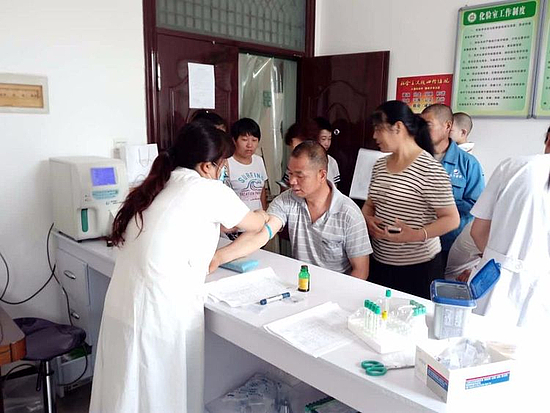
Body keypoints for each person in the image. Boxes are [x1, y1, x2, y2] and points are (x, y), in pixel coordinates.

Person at [89, 121, 268, 413]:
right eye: (223, 164)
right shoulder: (207, 189)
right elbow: (254, 222)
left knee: (125, 393)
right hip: (161, 312)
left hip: (124, 306)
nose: (223, 171)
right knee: (161, 395)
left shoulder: (158, 184)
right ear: (208, 166)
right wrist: (267, 217)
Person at [212, 141, 372, 280]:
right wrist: (219, 257)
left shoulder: (348, 214)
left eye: (300, 176)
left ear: (322, 175)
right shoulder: (288, 200)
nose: (292, 181)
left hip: (335, 289)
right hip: (301, 283)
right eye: (290, 173)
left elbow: (361, 271)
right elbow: (261, 233)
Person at [363, 100, 459, 299]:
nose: (374, 136)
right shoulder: (379, 165)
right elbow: (370, 205)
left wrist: (416, 235)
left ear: (398, 127)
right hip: (380, 261)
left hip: (419, 267)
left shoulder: (430, 169)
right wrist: (367, 219)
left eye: (378, 129)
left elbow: (451, 219)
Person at [469, 153, 550, 329]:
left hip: (493, 283)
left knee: (476, 340)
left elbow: (478, 231)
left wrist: (497, 258)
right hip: (542, 297)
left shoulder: (514, 166)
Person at [421, 104, 484, 265]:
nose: (422, 130)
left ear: (447, 126)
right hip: (416, 241)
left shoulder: (468, 163)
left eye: (427, 124)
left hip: (449, 243)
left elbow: (477, 205)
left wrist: (442, 203)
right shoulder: (414, 158)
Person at [227, 118, 268, 210]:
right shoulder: (227, 163)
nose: (250, 145)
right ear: (234, 140)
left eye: (254, 140)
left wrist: (264, 212)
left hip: (257, 216)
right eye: (244, 139)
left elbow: (262, 191)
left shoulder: (259, 160)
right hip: (238, 217)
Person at [279, 120, 320, 190]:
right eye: (292, 148)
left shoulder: (324, 162)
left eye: (297, 148)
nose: (294, 152)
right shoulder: (293, 163)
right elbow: (285, 184)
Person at [313, 117, 341, 186]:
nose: (327, 143)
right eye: (323, 139)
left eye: (329, 139)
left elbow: (335, 187)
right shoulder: (304, 160)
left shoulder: (332, 162)